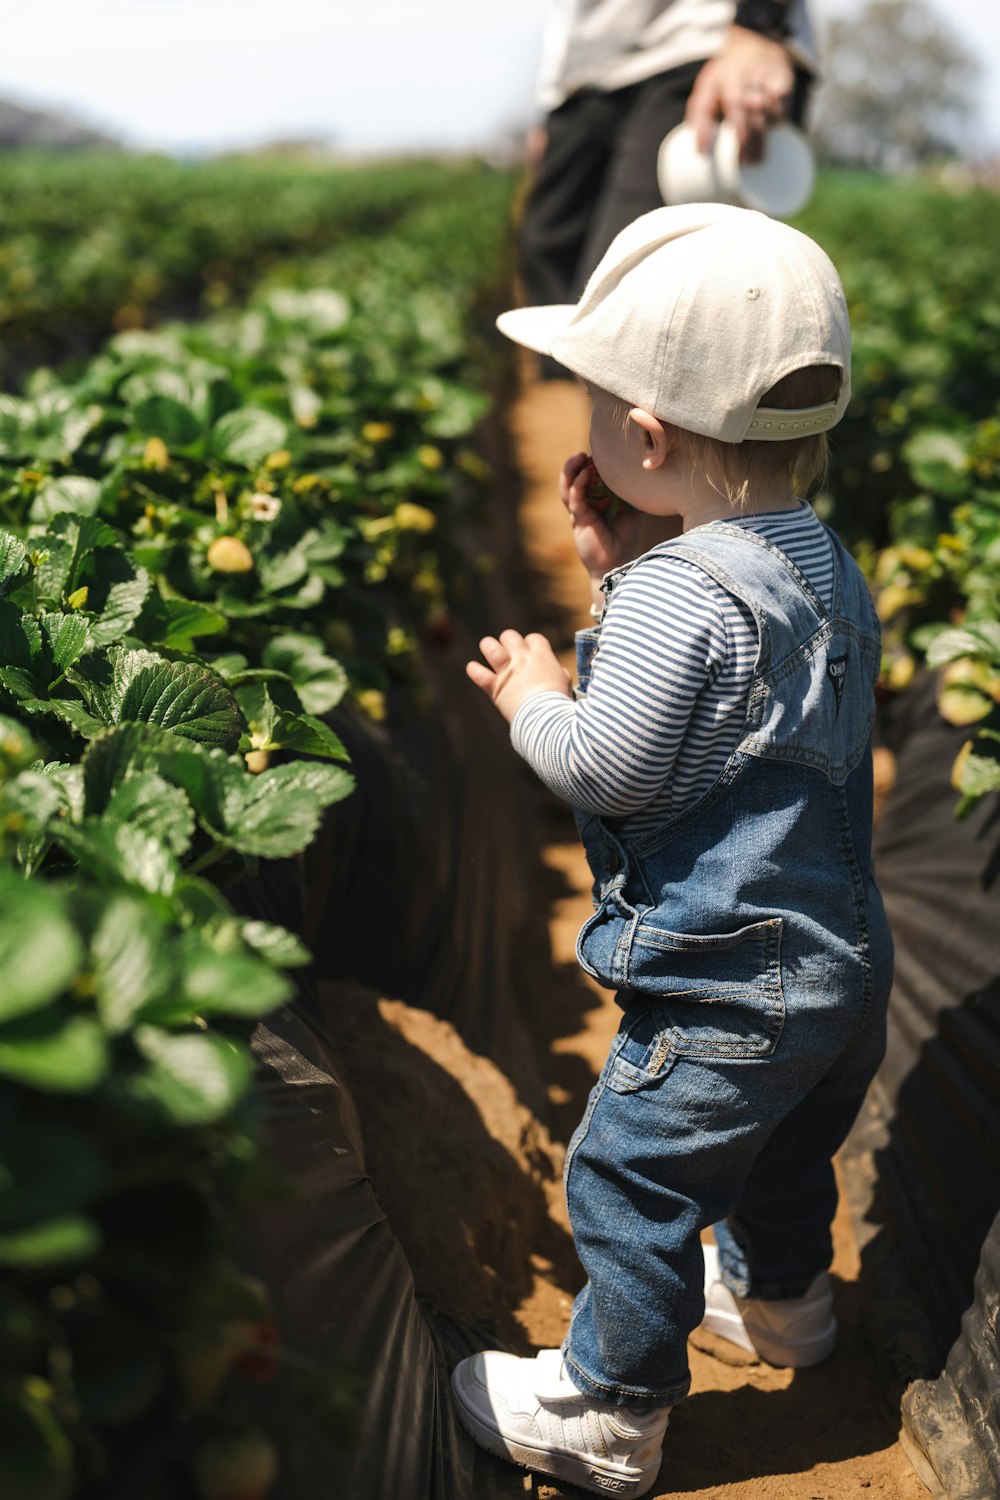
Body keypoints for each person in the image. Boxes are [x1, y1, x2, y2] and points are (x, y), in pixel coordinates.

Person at [451, 203, 893, 1497]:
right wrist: (621, 566)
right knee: (785, 1152)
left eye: (592, 402)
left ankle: (612, 1405)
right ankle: (784, 1307)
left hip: (721, 985)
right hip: (840, 966)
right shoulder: (826, 565)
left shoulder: (674, 592)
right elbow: (738, 696)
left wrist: (534, 692)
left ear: (643, 439)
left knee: (633, 1172)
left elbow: (610, 764)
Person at [521, 0, 818, 350]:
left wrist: (760, 24)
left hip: (704, 44)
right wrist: (553, 97)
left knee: (628, 310)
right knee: (550, 273)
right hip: (591, 73)